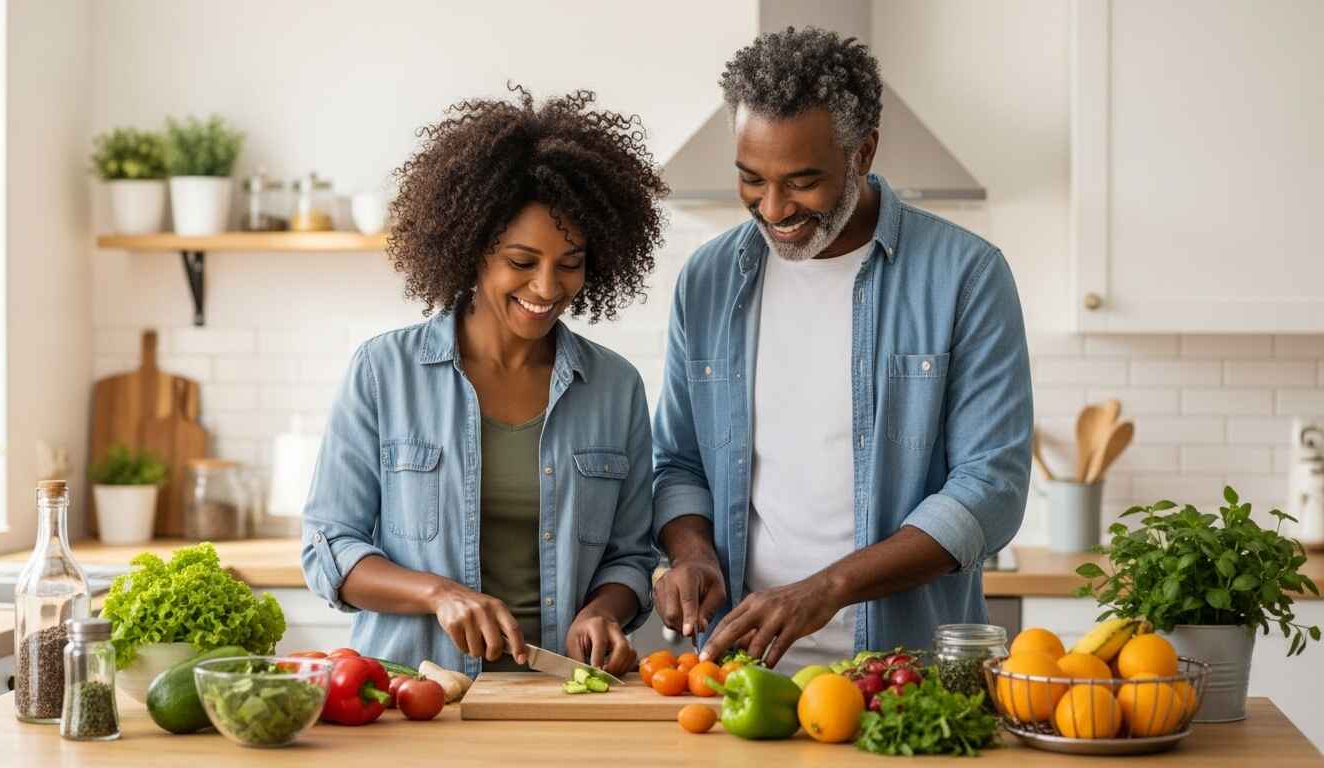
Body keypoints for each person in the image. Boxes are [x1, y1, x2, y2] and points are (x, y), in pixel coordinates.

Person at [651, 28, 1033, 673]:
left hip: (906, 673)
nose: (773, 208)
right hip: (737, 674)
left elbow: (990, 488)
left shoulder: (965, 275)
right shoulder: (709, 279)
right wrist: (691, 553)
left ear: (864, 152)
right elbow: (679, 462)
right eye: (751, 179)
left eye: (802, 182)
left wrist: (825, 590)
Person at [302, 85, 668, 677]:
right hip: (417, 692)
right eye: (522, 262)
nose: (548, 288)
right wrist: (438, 594)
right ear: (474, 250)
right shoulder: (383, 373)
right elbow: (330, 549)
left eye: (570, 263)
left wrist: (602, 611)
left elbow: (630, 556)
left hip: (557, 695)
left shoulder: (614, 387)